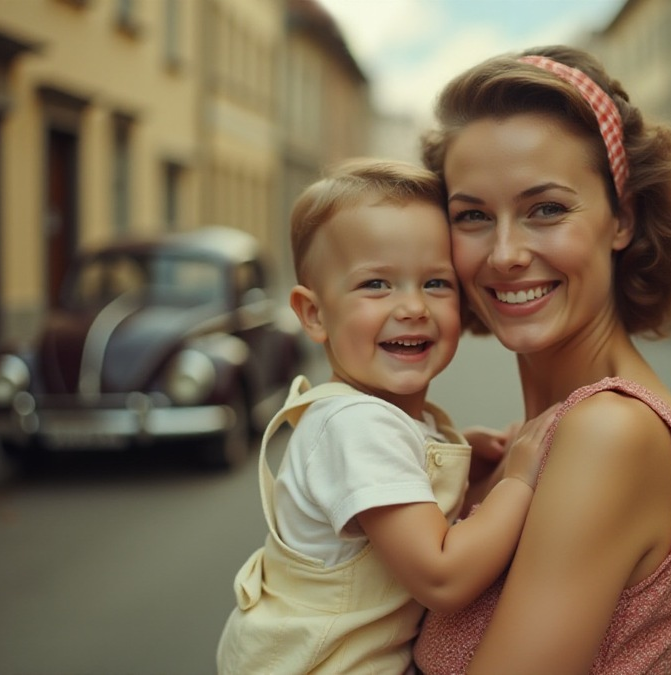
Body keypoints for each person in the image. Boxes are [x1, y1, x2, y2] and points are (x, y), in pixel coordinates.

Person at [412, 45, 671, 674]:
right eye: (472, 215)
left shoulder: (610, 430)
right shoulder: (543, 435)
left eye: (546, 209)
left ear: (621, 219)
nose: (504, 254)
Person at [216, 158, 553, 675]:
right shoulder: (358, 426)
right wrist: (520, 480)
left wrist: (470, 474)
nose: (413, 307)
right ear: (313, 314)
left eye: (437, 284)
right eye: (376, 285)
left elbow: (408, 524)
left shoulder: (376, 421)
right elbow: (443, 577)